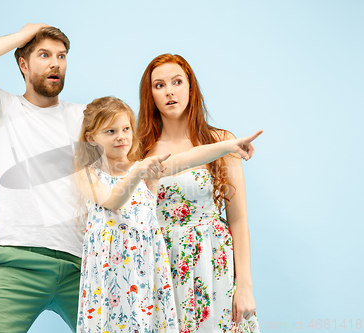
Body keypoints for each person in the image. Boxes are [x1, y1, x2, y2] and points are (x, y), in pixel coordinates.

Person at [74, 96, 261, 332]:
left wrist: (228, 146)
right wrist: (139, 171)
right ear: (91, 139)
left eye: (126, 128)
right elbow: (113, 200)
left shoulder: (144, 169)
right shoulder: (87, 174)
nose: (121, 136)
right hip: (108, 273)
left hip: (146, 273)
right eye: (110, 131)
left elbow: (188, 159)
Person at [0, 23, 86, 333]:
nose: (55, 63)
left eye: (61, 56)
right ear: (23, 64)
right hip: (18, 261)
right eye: (44, 55)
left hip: (81, 267)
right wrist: (22, 36)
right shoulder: (2, 109)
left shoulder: (86, 118)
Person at [137, 53, 262, 333]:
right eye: (159, 85)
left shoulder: (221, 142)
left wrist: (244, 285)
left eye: (177, 82)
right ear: (150, 95)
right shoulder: (138, 149)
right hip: (159, 266)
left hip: (212, 264)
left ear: (191, 88)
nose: (169, 91)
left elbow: (238, 219)